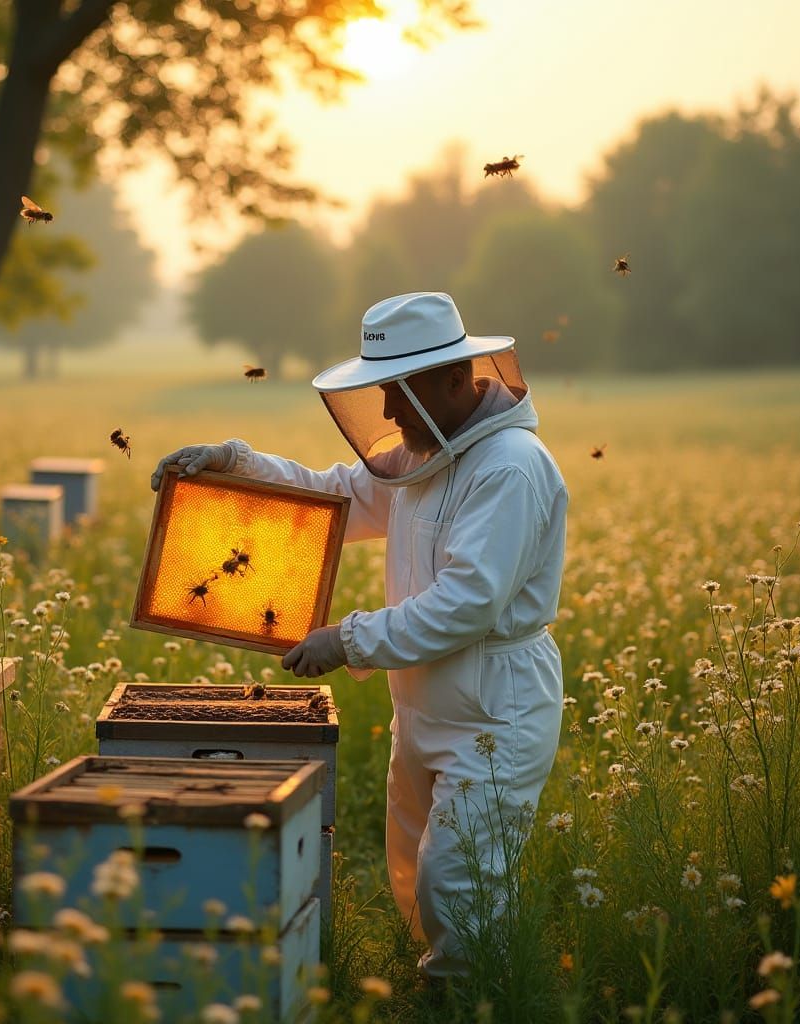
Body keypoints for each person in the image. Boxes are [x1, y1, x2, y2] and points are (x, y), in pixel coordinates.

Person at [150, 291, 567, 981]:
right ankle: (435, 979)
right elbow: (331, 495)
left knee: (459, 877)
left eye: (398, 393)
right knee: (413, 859)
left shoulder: (510, 467)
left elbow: (467, 604)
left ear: (454, 379)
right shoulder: (423, 457)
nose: (389, 413)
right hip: (427, 699)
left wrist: (346, 639)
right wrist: (235, 462)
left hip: (498, 704)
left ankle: (474, 998)